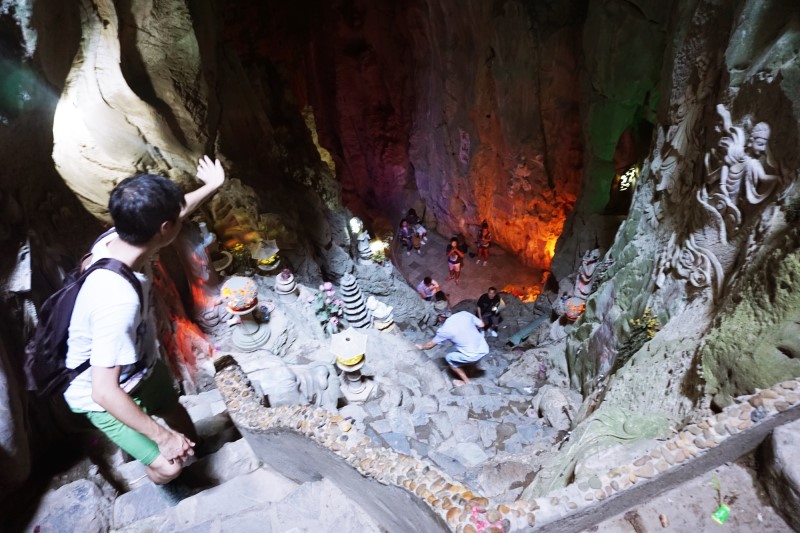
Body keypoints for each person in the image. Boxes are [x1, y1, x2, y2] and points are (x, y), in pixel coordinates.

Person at [63, 155, 225, 485]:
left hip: (141, 365)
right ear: (164, 230)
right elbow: (103, 392)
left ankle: (195, 454)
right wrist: (164, 440)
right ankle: (174, 481)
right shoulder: (116, 300)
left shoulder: (117, 239)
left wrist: (212, 186)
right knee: (169, 466)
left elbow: (173, 213)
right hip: (105, 392)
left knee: (175, 410)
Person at [415, 311, 489, 386]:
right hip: (484, 348)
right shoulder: (464, 314)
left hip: (472, 355)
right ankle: (472, 366)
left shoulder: (445, 330)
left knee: (449, 358)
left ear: (440, 318)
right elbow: (482, 325)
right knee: (461, 347)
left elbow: (429, 345)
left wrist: (421, 347)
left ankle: (466, 381)